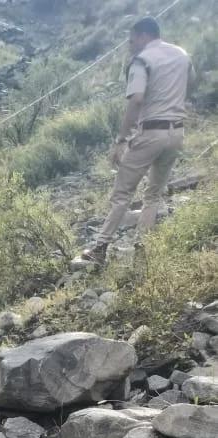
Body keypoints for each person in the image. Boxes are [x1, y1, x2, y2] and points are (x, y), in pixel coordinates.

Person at [81, 17, 194, 265]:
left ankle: (100, 248)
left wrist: (121, 140)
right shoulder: (181, 55)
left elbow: (136, 100)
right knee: (154, 194)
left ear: (143, 36)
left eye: (131, 40)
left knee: (123, 193)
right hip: (176, 133)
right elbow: (190, 86)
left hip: (150, 132)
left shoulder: (142, 60)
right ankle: (142, 251)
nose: (129, 45)